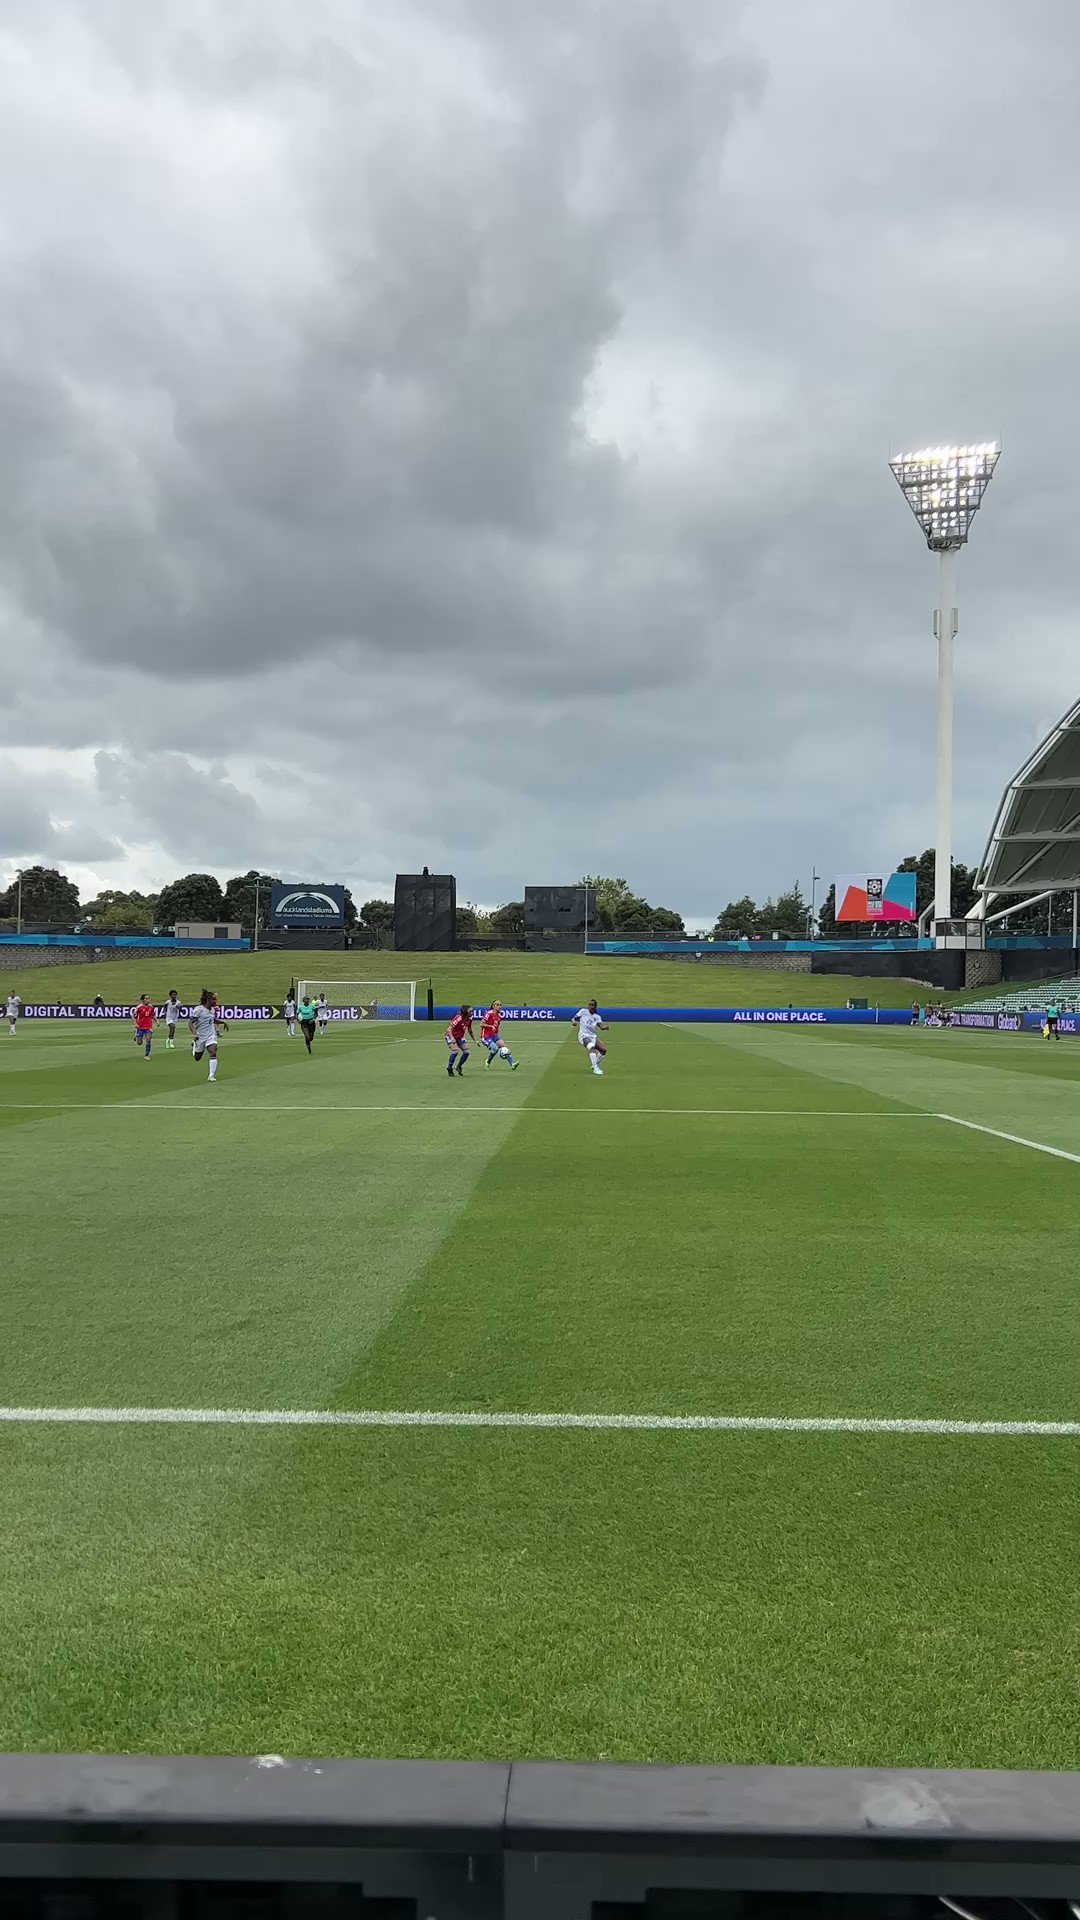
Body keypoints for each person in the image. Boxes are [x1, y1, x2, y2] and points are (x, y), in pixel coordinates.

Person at [189, 989, 228, 1083]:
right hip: (200, 1036)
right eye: (213, 1000)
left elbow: (213, 1020)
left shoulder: (213, 1010)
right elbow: (191, 1022)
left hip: (211, 1035)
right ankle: (194, 1045)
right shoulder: (199, 1010)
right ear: (208, 1000)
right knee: (197, 1058)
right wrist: (195, 1033)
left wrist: (223, 1022)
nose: (215, 1002)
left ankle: (211, 1076)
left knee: (213, 1052)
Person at [573, 999, 608, 1076]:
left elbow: (601, 1025)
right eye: (589, 1005)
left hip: (593, 1036)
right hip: (583, 1035)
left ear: (595, 1007)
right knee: (591, 1047)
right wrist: (574, 1022)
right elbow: (573, 1018)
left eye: (592, 1005)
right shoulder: (583, 1011)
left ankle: (594, 1064)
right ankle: (595, 1068)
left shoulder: (597, 1017)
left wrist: (605, 1027)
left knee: (603, 1050)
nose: (590, 1006)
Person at [480, 1000, 518, 1070]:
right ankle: (488, 1061)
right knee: (495, 1049)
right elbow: (481, 1024)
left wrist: (496, 1034)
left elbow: (496, 1027)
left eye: (500, 1005)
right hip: (486, 1036)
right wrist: (490, 1026)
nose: (499, 1006)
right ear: (493, 1006)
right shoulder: (489, 1013)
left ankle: (512, 1064)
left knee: (504, 1047)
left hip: (494, 1035)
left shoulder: (498, 1016)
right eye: (497, 1005)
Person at [445, 1004, 474, 1076]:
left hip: (460, 1037)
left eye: (472, 1011)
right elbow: (448, 1030)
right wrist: (452, 1038)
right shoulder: (459, 1018)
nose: (472, 1013)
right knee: (455, 1051)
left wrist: (474, 1040)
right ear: (465, 1012)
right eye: (470, 1012)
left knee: (466, 1052)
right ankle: (449, 1068)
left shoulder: (469, 1018)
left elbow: (469, 1029)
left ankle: (458, 1066)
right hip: (450, 1035)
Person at [134, 993, 155, 1059]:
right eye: (146, 998)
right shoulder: (139, 1007)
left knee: (148, 1039)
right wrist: (135, 1024)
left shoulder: (151, 1007)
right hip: (140, 1027)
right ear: (142, 1000)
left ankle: (147, 1055)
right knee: (139, 1043)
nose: (148, 1000)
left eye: (148, 998)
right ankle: (136, 1033)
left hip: (149, 1026)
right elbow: (133, 1016)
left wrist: (157, 1021)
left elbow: (152, 1015)